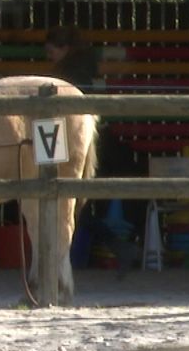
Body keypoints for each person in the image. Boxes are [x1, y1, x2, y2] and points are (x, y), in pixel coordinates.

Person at [43, 25, 141, 274]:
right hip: (89, 136)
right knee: (75, 202)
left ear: (64, 48)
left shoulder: (72, 75)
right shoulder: (84, 68)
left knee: (72, 201)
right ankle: (114, 246)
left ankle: (109, 247)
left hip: (79, 138)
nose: (49, 54)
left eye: (52, 49)